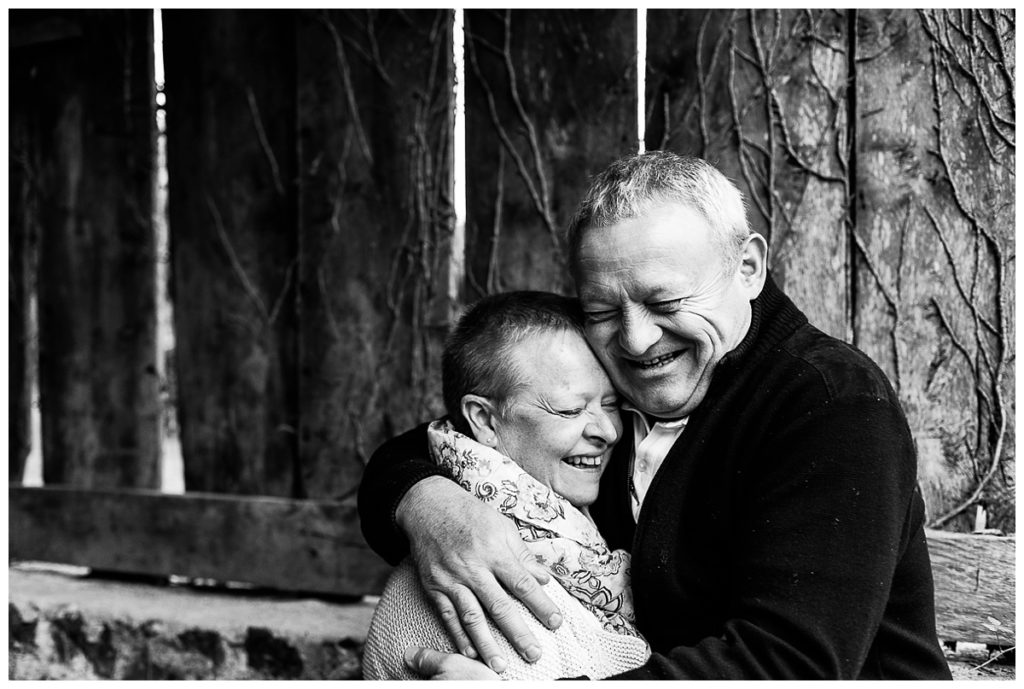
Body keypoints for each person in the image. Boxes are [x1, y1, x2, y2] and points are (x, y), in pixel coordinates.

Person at [358, 151, 952, 680]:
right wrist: (427, 504)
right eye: (602, 310)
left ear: (747, 267)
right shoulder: (606, 358)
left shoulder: (829, 402)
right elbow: (439, 442)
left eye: (664, 302)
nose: (637, 341)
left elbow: (788, 664)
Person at [361, 291, 650, 680]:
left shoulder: (566, 526)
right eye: (569, 410)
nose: (608, 431)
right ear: (483, 419)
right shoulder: (478, 585)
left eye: (612, 404)